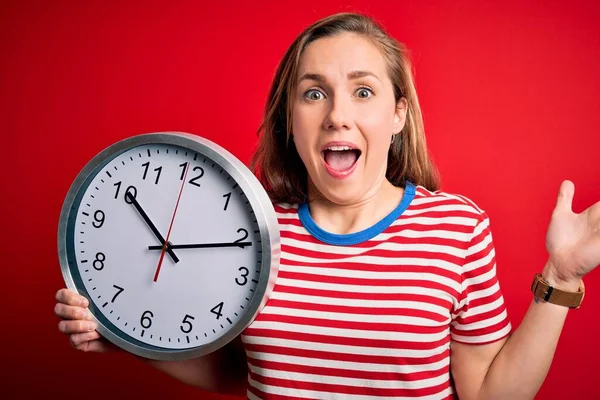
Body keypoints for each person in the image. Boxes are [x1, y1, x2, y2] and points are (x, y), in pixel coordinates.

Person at [54, 12, 600, 400]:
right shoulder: (248, 232)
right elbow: (230, 371)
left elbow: (488, 392)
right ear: (291, 123)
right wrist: (128, 338)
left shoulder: (456, 228)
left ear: (397, 116)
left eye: (363, 91)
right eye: (313, 93)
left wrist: (560, 277)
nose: (337, 114)